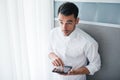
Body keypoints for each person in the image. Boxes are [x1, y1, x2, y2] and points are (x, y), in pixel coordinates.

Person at [48, 2, 101, 80]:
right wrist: (53, 57)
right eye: (61, 22)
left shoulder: (89, 42)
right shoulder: (53, 33)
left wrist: (75, 72)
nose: (64, 27)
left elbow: (96, 65)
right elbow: (49, 50)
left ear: (77, 21)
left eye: (69, 22)